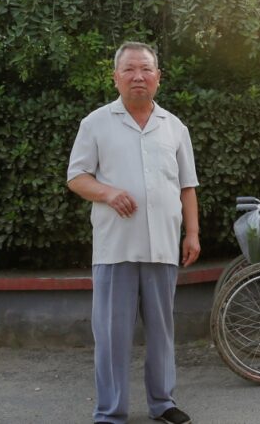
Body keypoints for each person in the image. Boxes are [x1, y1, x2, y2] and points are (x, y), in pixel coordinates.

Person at [67, 42, 199, 424]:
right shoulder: (95, 123)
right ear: (116, 77)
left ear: (158, 77)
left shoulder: (174, 127)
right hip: (115, 248)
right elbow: (76, 176)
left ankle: (163, 403)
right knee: (111, 336)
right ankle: (110, 412)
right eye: (129, 69)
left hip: (162, 247)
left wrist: (192, 234)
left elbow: (187, 186)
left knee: (162, 332)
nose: (138, 76)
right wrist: (107, 192)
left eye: (145, 69)